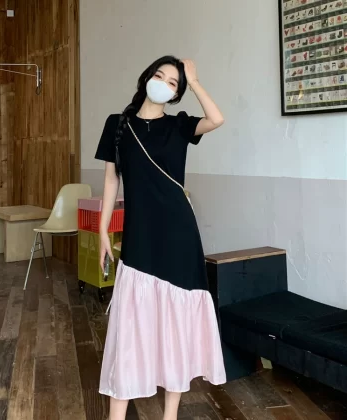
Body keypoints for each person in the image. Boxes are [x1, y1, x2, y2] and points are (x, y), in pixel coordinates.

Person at [95, 55, 226, 420]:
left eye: (173, 83)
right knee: (129, 327)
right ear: (146, 78)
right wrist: (103, 229)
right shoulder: (117, 124)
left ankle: (170, 416)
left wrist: (194, 81)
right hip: (140, 237)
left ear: (177, 94)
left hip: (179, 235)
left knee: (176, 326)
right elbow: (111, 180)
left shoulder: (179, 126)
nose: (165, 84)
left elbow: (216, 118)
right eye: (160, 75)